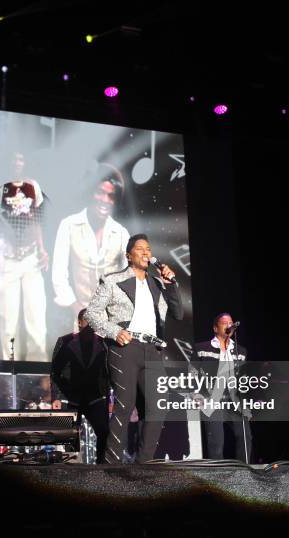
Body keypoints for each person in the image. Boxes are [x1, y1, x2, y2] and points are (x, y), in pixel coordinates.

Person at [86, 234, 184, 463]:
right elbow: (92, 312)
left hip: (152, 349)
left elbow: (178, 314)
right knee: (125, 404)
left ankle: (144, 465)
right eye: (140, 249)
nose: (146, 252)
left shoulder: (159, 284)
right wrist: (114, 332)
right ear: (129, 255)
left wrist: (171, 285)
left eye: (148, 249)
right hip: (125, 347)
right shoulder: (113, 280)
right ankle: (110, 465)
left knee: (157, 406)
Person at [0, 151, 48, 361]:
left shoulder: (33, 186)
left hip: (30, 256)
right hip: (8, 255)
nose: (17, 163)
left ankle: (37, 366)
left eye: (20, 159)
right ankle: (9, 365)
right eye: (13, 159)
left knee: (36, 314)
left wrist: (42, 248)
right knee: (8, 316)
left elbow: (36, 220)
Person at [52, 163, 130, 329]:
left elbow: (128, 280)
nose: (105, 200)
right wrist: (78, 310)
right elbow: (58, 275)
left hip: (114, 323)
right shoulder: (69, 225)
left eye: (111, 196)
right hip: (81, 318)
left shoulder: (121, 233)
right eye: (100, 192)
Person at [51, 308, 110, 463]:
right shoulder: (65, 341)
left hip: (95, 396)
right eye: (87, 320)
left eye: (93, 320)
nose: (90, 323)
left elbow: (108, 372)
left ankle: (101, 464)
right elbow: (55, 371)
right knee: (71, 434)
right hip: (72, 396)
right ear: (79, 322)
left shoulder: (104, 344)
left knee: (103, 431)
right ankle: (72, 463)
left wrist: (109, 397)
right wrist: (57, 396)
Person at [194, 313, 252, 462]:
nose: (229, 325)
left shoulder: (241, 351)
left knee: (245, 438)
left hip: (234, 402)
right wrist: (198, 396)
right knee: (216, 444)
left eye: (231, 322)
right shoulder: (201, 348)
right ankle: (218, 476)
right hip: (212, 401)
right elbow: (191, 375)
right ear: (215, 328)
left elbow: (243, 381)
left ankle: (243, 473)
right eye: (224, 322)